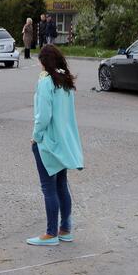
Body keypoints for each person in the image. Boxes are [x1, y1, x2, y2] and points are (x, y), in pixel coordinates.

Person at [28, 45, 84, 246]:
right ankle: (65, 229)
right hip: (63, 142)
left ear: (45, 62)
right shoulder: (65, 81)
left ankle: (51, 234)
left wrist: (36, 137)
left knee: (48, 188)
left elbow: (43, 116)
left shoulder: (46, 82)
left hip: (48, 143)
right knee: (61, 185)